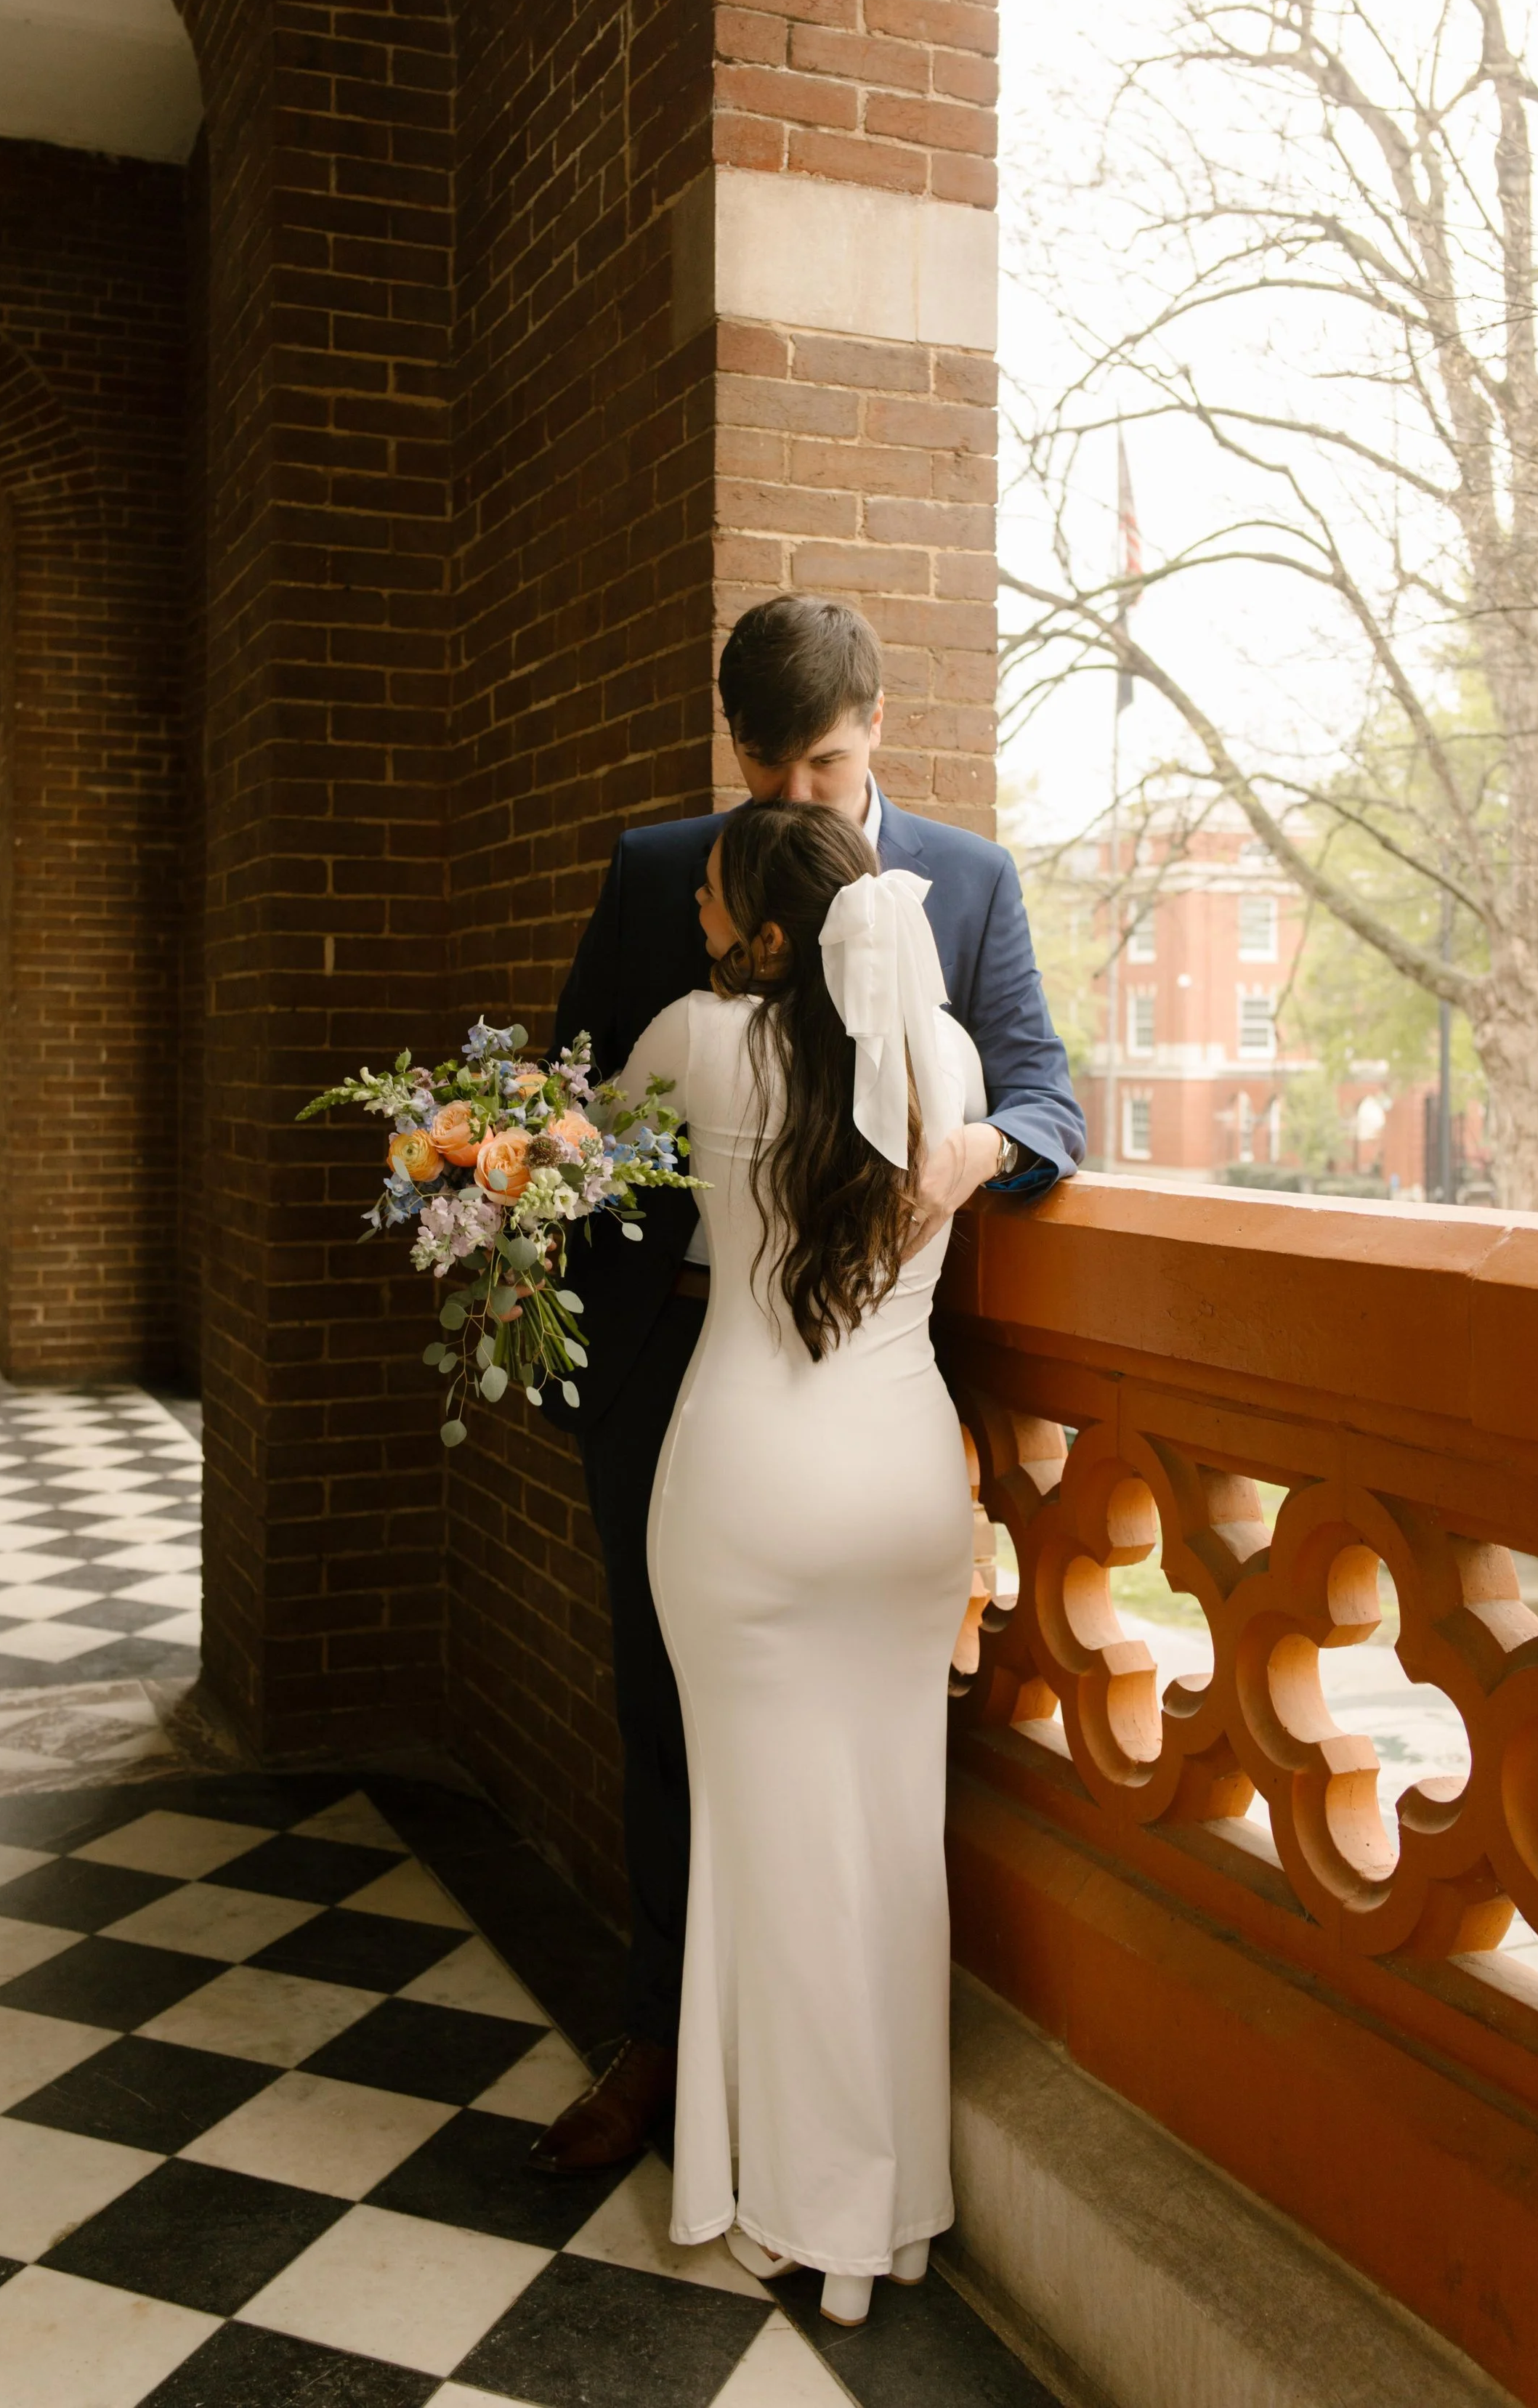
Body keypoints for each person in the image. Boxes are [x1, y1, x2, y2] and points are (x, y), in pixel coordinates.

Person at [532, 596, 1083, 2176]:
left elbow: (1042, 1086)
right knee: (661, 1720)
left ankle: (816, 2101)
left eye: (821, 766)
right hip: (671, 1375)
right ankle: (662, 2041)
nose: (787, 802)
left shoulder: (965, 886)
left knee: (856, 1757)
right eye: (761, 770)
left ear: (877, 730)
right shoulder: (659, 874)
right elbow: (570, 1105)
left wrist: (987, 1147)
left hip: (862, 1392)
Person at [622, 799, 1008, 2321]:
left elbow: (592, 1177)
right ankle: (887, 2212)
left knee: (766, 1854)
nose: (696, 924)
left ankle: (789, 2205)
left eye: (711, 904)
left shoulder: (690, 1043)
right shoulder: (950, 1062)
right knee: (887, 1853)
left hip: (748, 1496)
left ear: (767, 934)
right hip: (905, 1496)